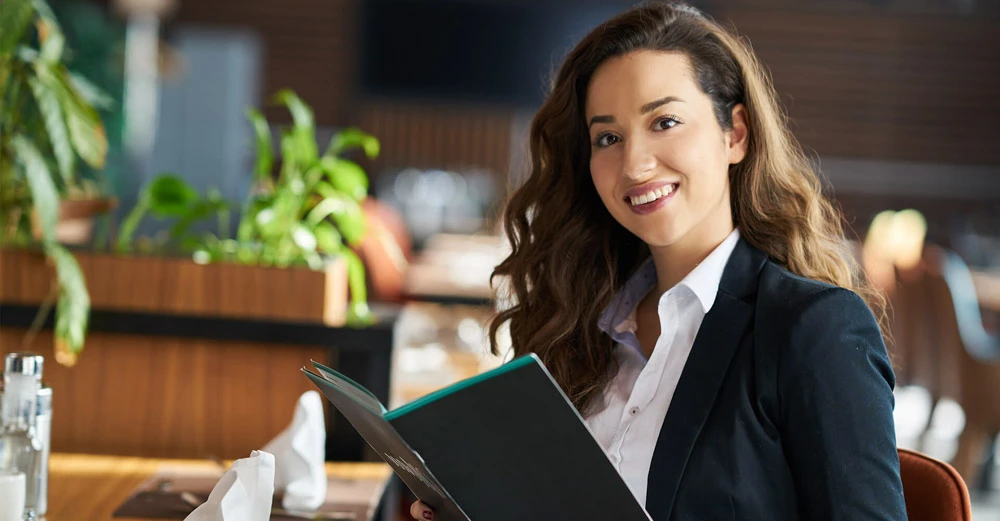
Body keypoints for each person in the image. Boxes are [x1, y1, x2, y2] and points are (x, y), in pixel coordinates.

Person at [411, 2, 907, 519]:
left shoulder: (814, 328)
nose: (635, 164)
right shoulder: (579, 324)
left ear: (735, 133)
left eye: (664, 122)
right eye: (608, 137)